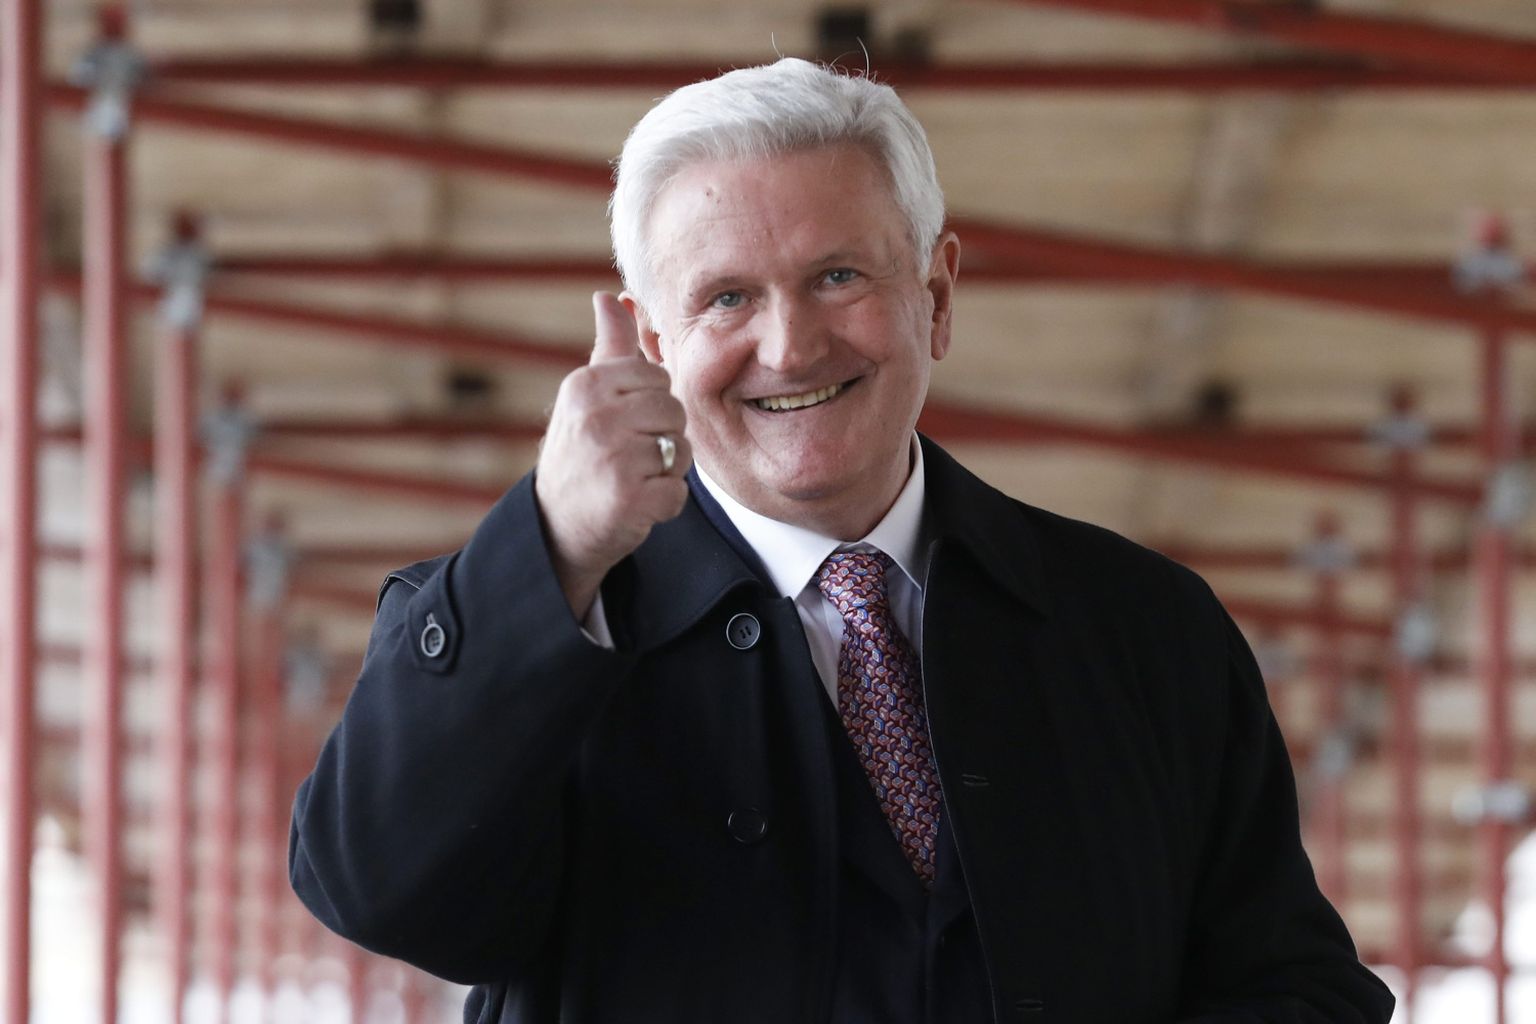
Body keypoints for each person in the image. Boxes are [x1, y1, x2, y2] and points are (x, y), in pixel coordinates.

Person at [289, 58, 1395, 1023]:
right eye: (727, 298)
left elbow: (1299, 986)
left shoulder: (1146, 630)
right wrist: (552, 549)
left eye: (837, 276)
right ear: (655, 342)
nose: (790, 346)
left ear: (938, 296)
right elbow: (383, 894)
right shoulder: (542, 626)